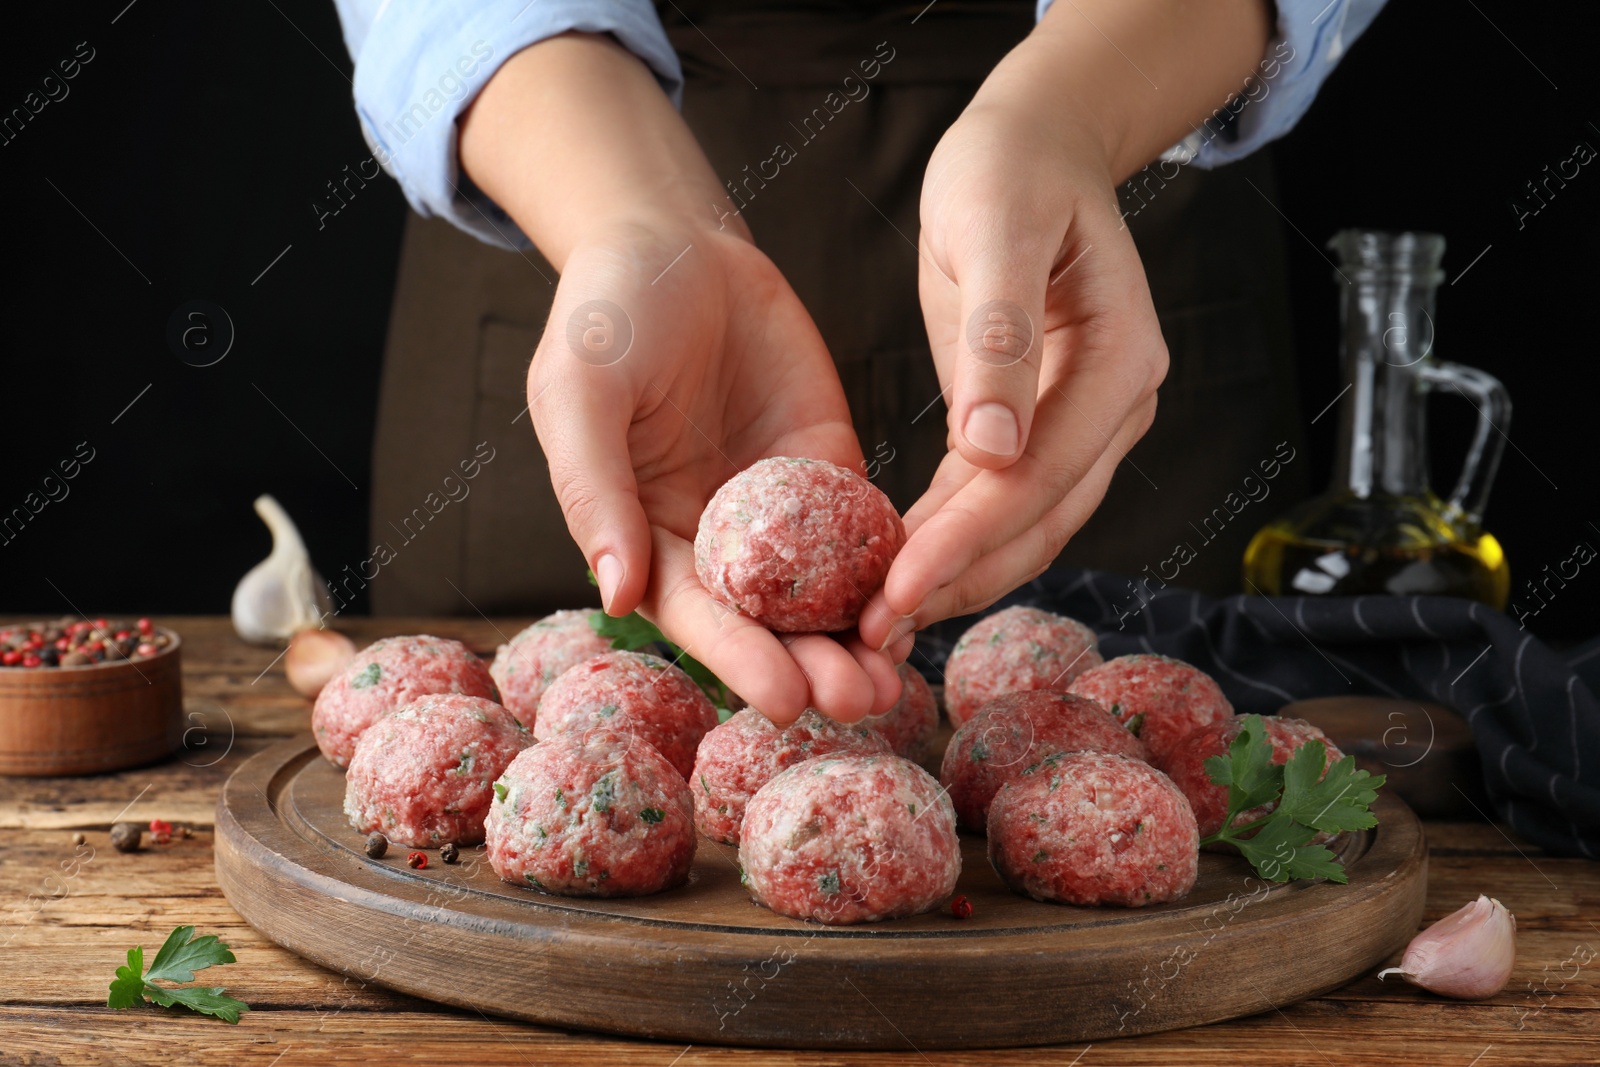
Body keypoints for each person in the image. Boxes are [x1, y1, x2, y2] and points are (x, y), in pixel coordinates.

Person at [331, 0, 1386, 723]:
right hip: (580, 203)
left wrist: (1061, 117)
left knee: (1141, 732)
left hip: (1102, 184)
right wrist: (633, 217)